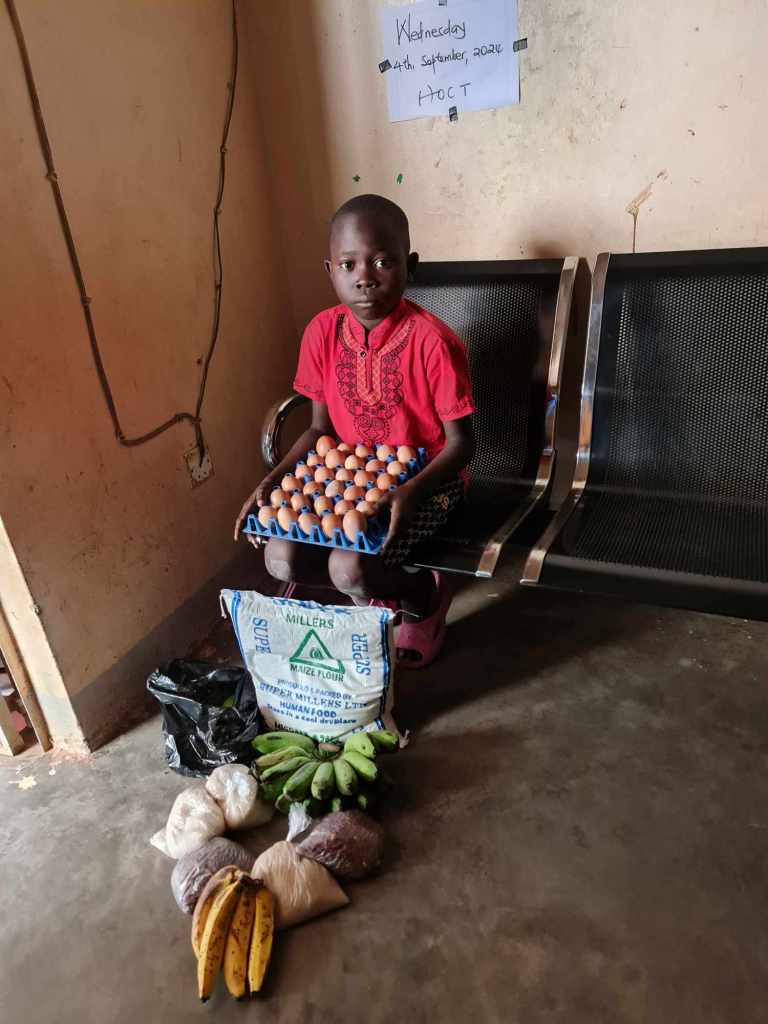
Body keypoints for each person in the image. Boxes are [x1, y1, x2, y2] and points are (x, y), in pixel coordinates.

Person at [234, 194, 474, 666]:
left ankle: (422, 596)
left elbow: (462, 445)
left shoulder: (433, 342)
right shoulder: (321, 333)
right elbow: (318, 431)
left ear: (410, 266)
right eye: (348, 264)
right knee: (280, 557)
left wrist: (410, 491)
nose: (365, 276)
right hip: (350, 478)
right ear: (331, 271)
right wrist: (273, 481)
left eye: (382, 261)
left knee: (348, 567)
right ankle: (377, 594)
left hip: (430, 483)